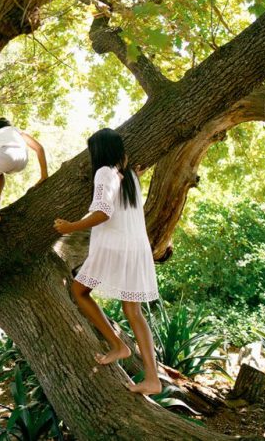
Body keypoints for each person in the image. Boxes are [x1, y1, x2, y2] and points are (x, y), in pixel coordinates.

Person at [53, 128, 161, 395]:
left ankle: (118, 345)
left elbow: (103, 211)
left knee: (79, 290)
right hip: (136, 249)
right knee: (133, 312)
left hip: (114, 247)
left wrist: (71, 226)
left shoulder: (104, 172)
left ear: (98, 152)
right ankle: (152, 378)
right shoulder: (130, 177)